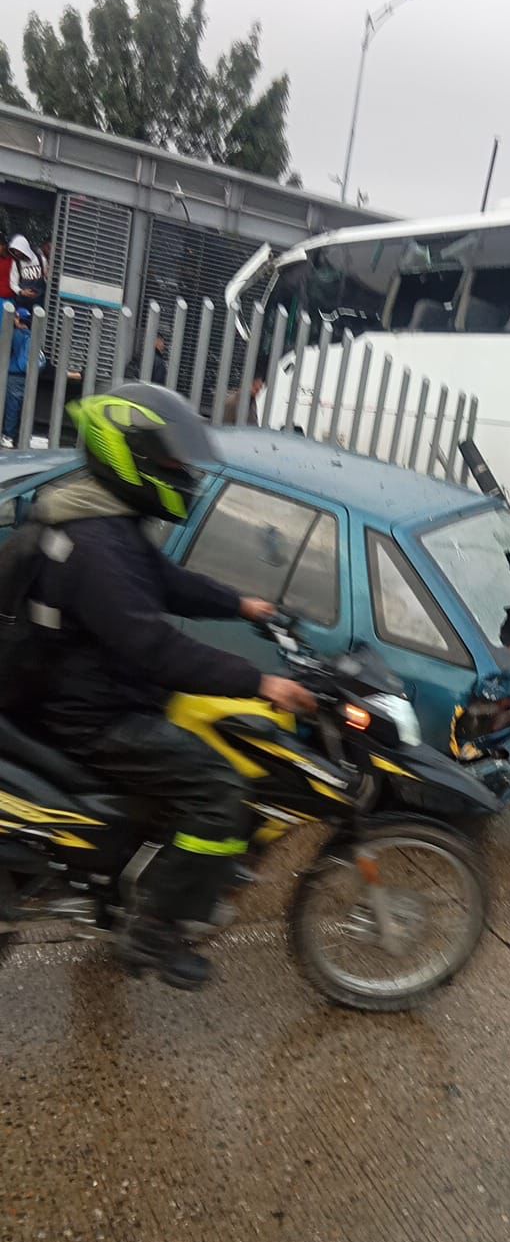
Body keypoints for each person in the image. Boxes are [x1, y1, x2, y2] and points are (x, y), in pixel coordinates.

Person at [28, 382, 314, 990]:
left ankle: (137, 872)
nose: (183, 471)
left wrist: (245, 605)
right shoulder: (95, 546)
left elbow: (167, 583)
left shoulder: (106, 520)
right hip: (99, 718)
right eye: (172, 459)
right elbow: (154, 647)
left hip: (105, 694)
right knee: (220, 790)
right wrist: (260, 682)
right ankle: (153, 931)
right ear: (128, 456)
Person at [3, 306, 43, 443]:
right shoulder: (33, 336)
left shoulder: (15, 334)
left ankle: (8, 435)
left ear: (18, 319)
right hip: (28, 376)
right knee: (24, 407)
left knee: (11, 407)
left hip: (14, 375)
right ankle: (23, 436)